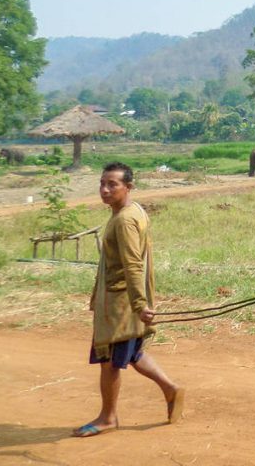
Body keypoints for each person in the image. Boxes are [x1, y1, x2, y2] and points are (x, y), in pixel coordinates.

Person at [72, 162, 183, 437]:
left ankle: (108, 418)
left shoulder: (123, 220)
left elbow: (134, 265)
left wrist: (139, 305)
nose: (105, 190)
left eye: (113, 184)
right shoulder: (132, 212)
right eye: (102, 183)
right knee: (132, 354)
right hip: (121, 300)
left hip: (119, 304)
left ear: (128, 187)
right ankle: (170, 388)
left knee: (109, 361)